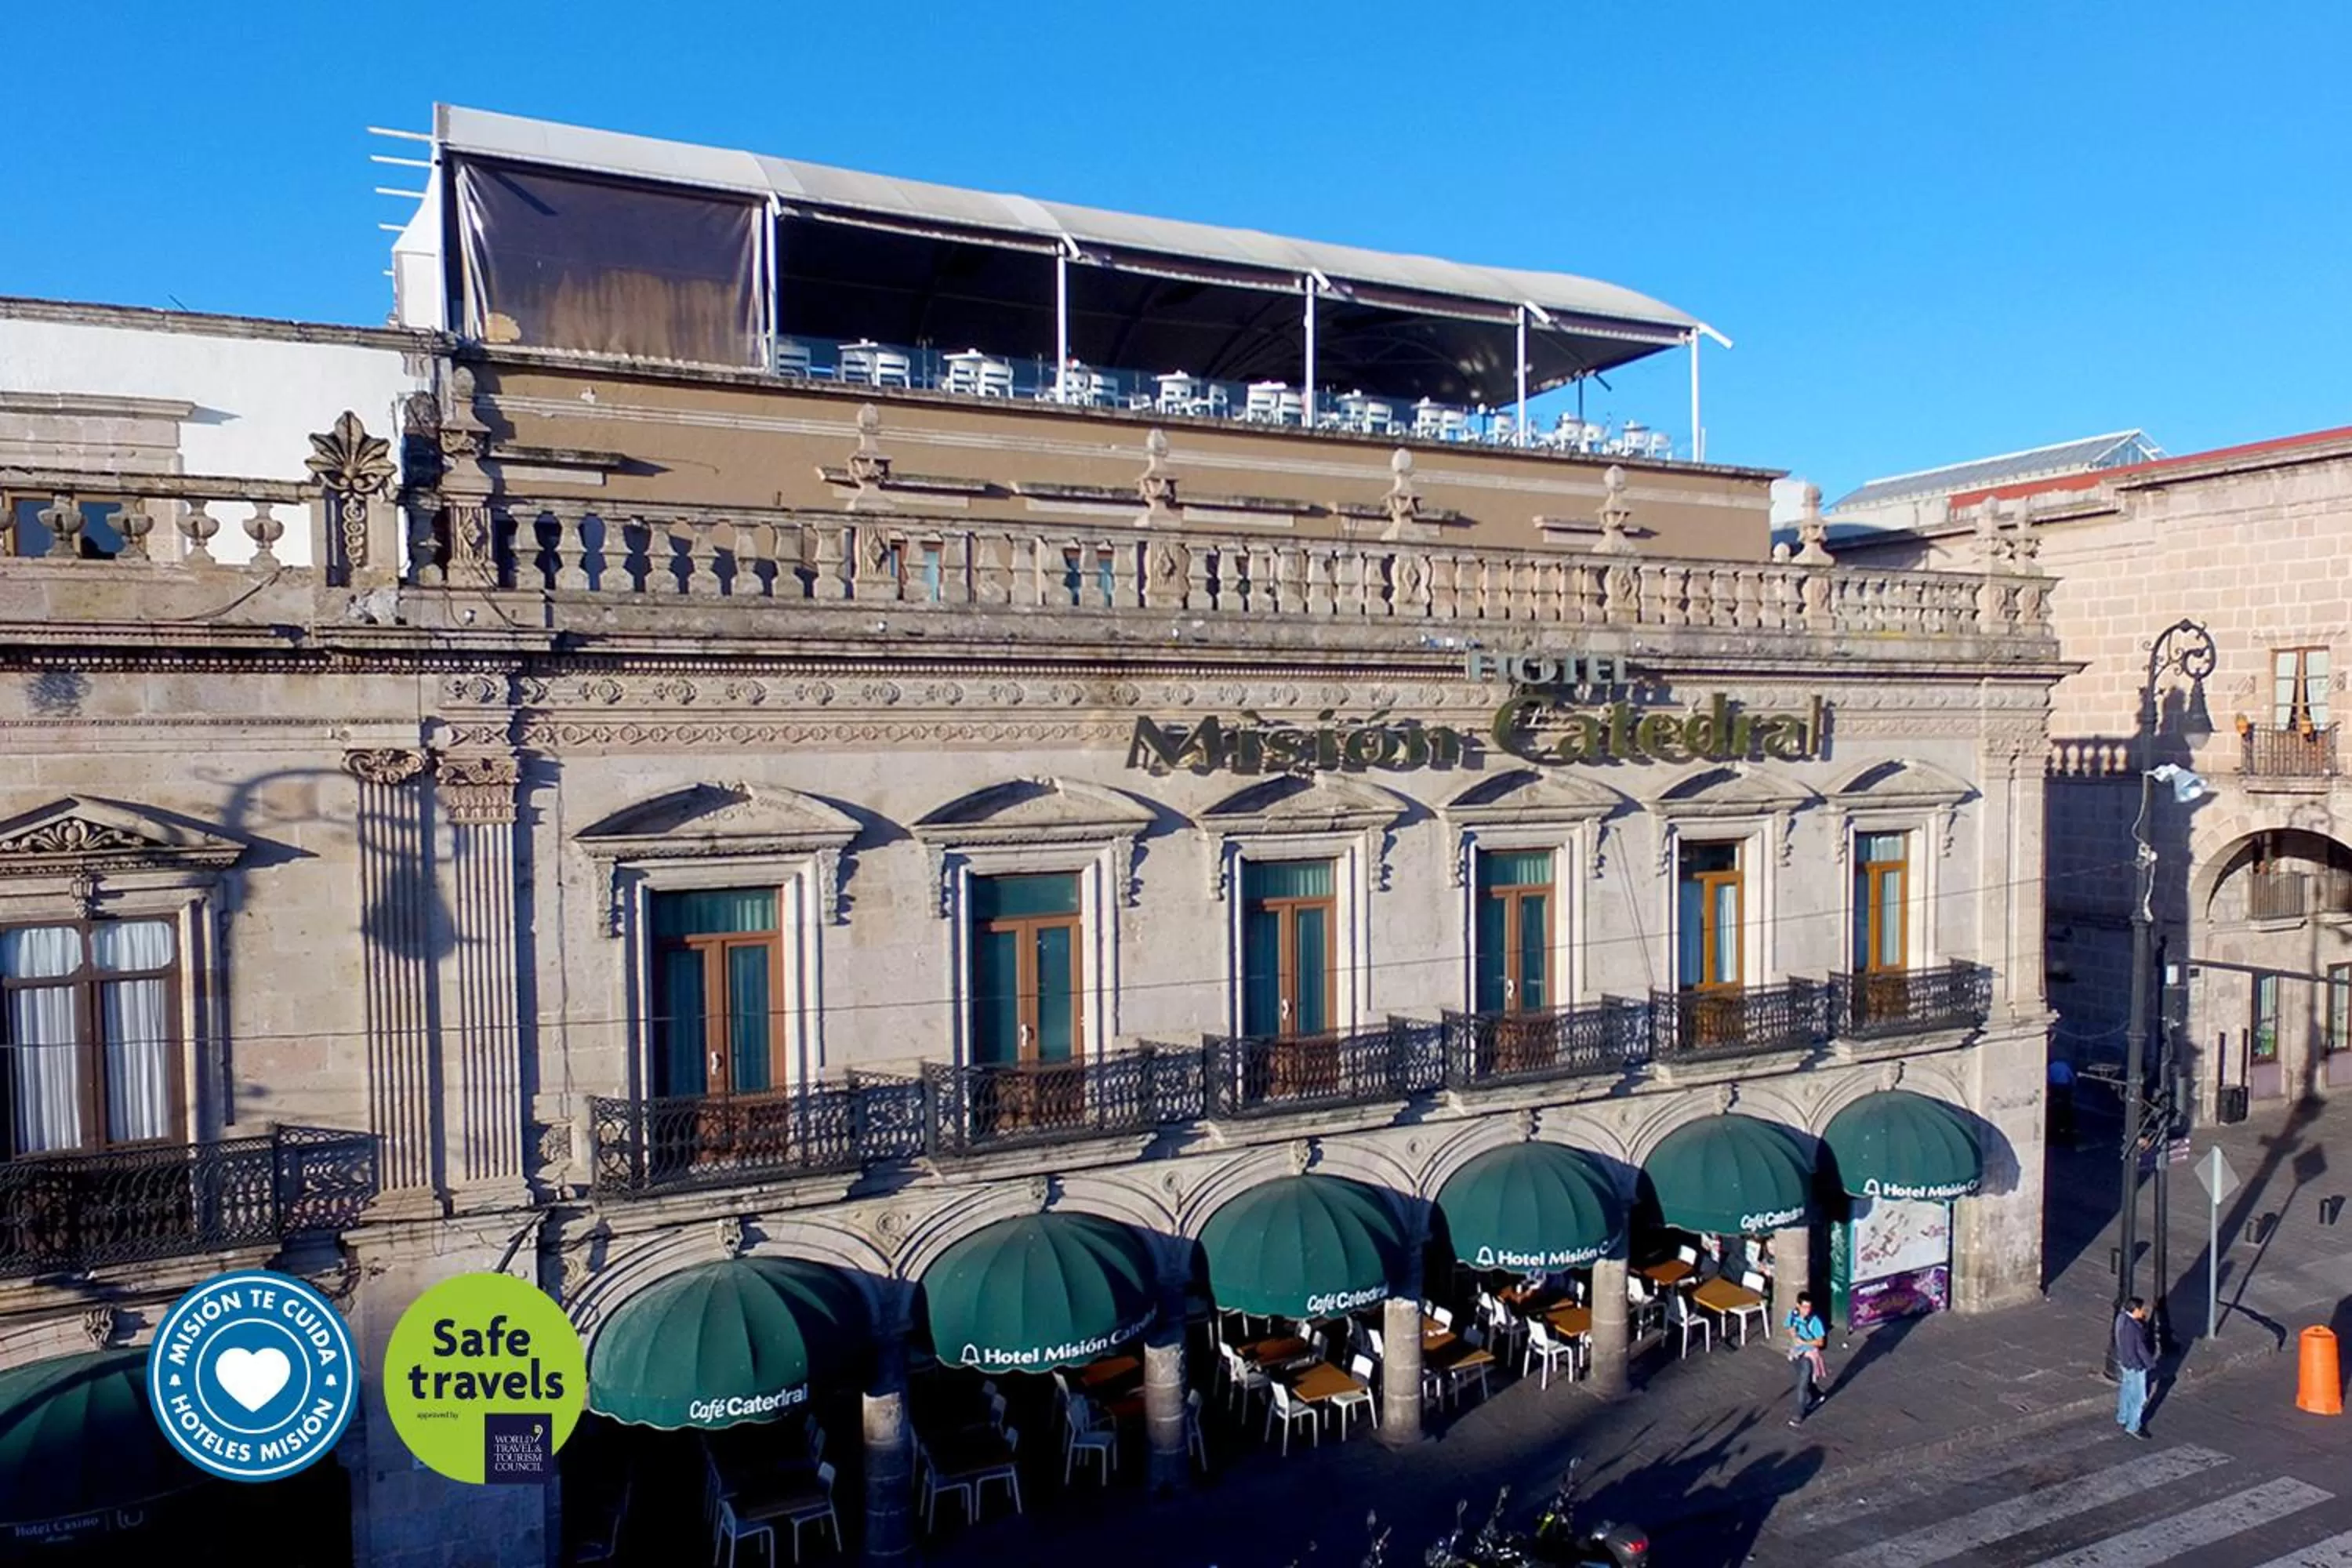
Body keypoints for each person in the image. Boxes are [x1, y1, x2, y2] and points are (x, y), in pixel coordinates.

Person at [2114, 1296, 2158, 1438]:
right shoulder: (2133, 1328)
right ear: (2135, 1310)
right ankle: (2133, 1426)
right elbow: (2140, 1349)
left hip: (2124, 1362)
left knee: (2126, 1389)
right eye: (2141, 1309)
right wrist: (2149, 1364)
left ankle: (2122, 1416)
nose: (2143, 1312)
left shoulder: (2121, 1319)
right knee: (2139, 1397)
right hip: (2135, 1365)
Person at [1786, 1291, 1828, 1427]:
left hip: (1809, 1355)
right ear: (1798, 1306)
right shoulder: (1793, 1314)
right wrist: (1794, 1335)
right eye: (1804, 1307)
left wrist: (1805, 1343)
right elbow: (1789, 1326)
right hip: (1796, 1353)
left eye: (1809, 1307)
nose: (1807, 1310)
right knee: (1806, 1380)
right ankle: (1817, 1395)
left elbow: (1821, 1342)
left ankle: (1798, 1415)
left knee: (1802, 1384)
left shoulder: (1815, 1321)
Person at [2049, 1056, 2078, 1146]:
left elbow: (2048, 1078)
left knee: (2055, 1106)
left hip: (2055, 1087)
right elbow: (2072, 1077)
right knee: (2066, 1105)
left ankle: (2057, 1124)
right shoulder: (2064, 1065)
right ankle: (2067, 1125)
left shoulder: (2050, 1067)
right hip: (2065, 1087)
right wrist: (2073, 1087)